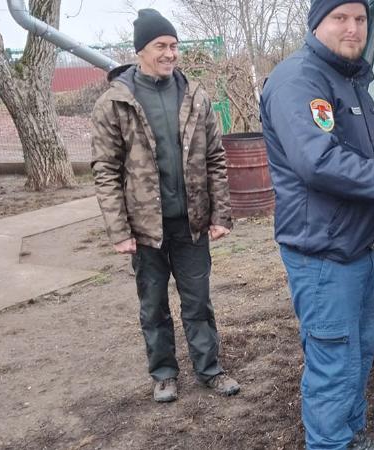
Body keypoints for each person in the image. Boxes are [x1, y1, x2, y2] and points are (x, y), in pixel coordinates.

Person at [260, 0, 374, 448]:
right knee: (333, 365)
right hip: (321, 253)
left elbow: (369, 155)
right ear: (316, 23)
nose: (353, 28)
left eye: (360, 19)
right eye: (340, 18)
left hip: (354, 247)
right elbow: (319, 163)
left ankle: (351, 439)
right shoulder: (298, 81)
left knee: (356, 355)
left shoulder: (349, 79)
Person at [91, 9, 240, 403]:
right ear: (140, 50)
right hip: (145, 230)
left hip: (190, 223)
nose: (170, 53)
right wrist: (119, 230)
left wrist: (220, 214)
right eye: (161, 46)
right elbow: (105, 170)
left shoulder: (195, 95)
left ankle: (210, 369)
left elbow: (215, 158)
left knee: (198, 302)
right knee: (153, 304)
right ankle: (163, 374)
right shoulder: (115, 103)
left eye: (174, 46)